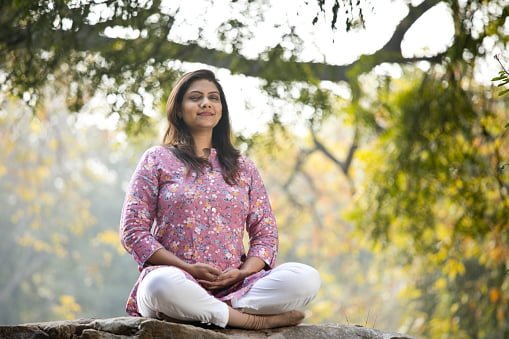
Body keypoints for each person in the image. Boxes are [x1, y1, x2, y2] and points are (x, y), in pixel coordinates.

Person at [119, 69, 321, 330]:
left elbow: (266, 235)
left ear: (221, 109)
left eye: (213, 98)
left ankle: (205, 312)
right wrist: (187, 269)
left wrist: (243, 272)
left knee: (306, 279)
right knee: (160, 287)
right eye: (195, 98)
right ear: (179, 110)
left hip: (237, 286)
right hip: (175, 280)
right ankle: (248, 321)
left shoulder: (242, 166)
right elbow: (133, 231)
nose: (206, 103)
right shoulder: (157, 159)